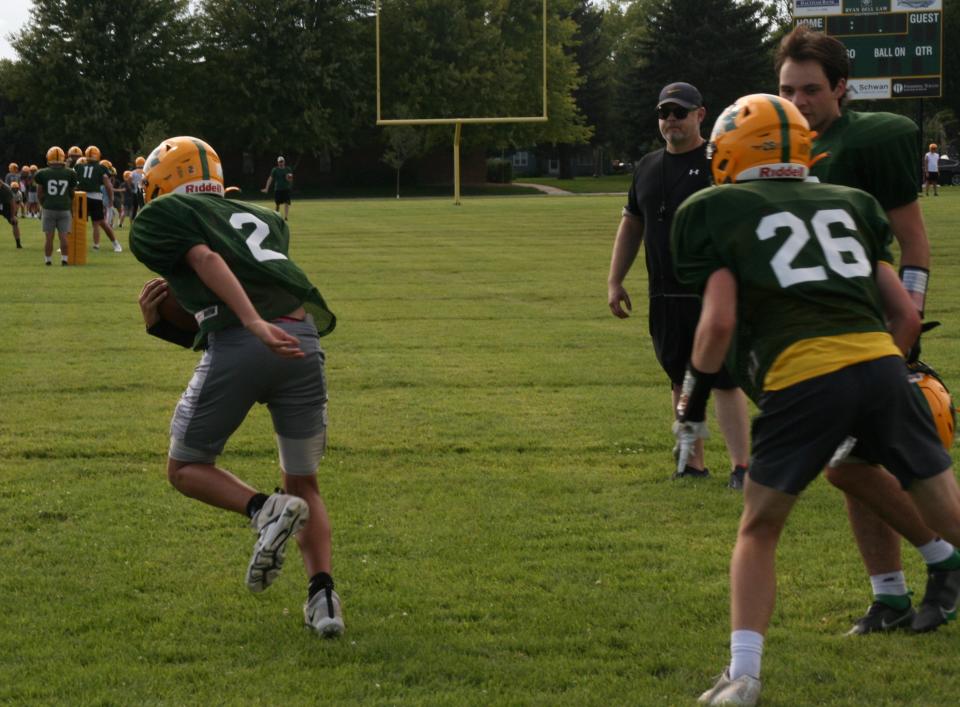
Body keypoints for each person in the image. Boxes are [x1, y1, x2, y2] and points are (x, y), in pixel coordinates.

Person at [672, 93, 960, 707]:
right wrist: (887, 371)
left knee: (758, 529)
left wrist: (690, 410)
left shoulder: (714, 210)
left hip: (804, 379)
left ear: (730, 154)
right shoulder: (849, 202)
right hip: (881, 367)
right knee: (949, 515)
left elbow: (717, 323)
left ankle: (743, 674)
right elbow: (904, 313)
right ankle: (931, 566)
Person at [776, 24, 960, 635]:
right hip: (816, 328)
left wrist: (904, 326)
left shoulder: (873, 140)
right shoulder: (773, 144)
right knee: (855, 469)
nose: (798, 103)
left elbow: (913, 242)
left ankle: (942, 562)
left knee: (855, 463)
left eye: (810, 90)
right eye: (787, 90)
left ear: (840, 88)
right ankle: (890, 597)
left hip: (875, 326)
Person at [130, 136, 343, 637]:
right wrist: (160, 322)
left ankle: (261, 509)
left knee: (184, 468)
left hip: (249, 343)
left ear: (163, 180)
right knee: (304, 482)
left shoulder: (163, 216)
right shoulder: (265, 219)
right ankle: (324, 600)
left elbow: (206, 261)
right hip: (303, 344)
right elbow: (207, 310)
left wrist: (251, 323)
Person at [607, 81, 750, 487]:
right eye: (664, 113)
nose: (671, 120)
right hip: (664, 293)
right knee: (679, 376)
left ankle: (742, 466)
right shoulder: (648, 165)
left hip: (712, 291)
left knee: (723, 378)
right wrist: (615, 279)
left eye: (680, 112)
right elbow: (632, 223)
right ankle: (691, 463)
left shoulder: (720, 161)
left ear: (700, 115)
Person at [35, 146, 78, 266]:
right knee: (63, 237)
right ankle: (64, 259)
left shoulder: (42, 173)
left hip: (48, 208)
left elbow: (39, 192)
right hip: (64, 208)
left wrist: (43, 204)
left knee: (49, 237)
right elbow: (72, 192)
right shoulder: (70, 173)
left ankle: (48, 260)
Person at [75, 146, 122, 252]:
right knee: (98, 223)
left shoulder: (79, 166)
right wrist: (111, 199)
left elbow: (74, 182)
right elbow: (108, 185)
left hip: (81, 196)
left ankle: (73, 245)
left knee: (76, 222)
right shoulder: (101, 168)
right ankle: (113, 244)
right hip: (95, 197)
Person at [261, 156, 293, 221]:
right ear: (278, 162)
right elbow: (270, 179)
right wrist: (266, 188)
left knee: (287, 202)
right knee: (277, 204)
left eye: (282, 161)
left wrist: (288, 178)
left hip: (286, 189)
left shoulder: (288, 169)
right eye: (280, 162)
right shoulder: (275, 170)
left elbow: (291, 179)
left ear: (284, 162)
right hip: (278, 189)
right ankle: (276, 216)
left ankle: (286, 217)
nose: (281, 163)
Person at [0, 180, 22, 248]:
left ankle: (18, 243)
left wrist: (13, 216)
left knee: (14, 222)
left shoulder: (6, 189)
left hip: (6, 206)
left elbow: (12, 203)